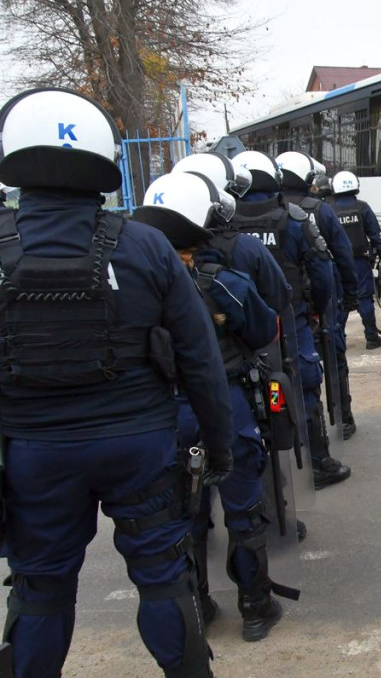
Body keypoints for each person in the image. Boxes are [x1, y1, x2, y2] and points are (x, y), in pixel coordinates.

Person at [0, 88, 233, 677]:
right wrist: (219, 443)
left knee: (42, 588)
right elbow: (201, 359)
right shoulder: (145, 245)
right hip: (139, 445)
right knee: (161, 576)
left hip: (33, 453)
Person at [133, 171, 298, 640]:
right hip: (224, 405)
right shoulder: (224, 283)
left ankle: (196, 605)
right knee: (243, 507)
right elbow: (265, 330)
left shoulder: (129, 282)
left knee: (182, 513)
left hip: (163, 412)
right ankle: (254, 606)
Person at [230, 150, 350, 489]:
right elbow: (323, 271)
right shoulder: (295, 219)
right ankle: (318, 462)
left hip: (238, 331)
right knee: (304, 387)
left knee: (249, 398)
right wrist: (317, 309)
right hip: (290, 323)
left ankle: (262, 477)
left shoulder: (221, 224)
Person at [277, 151, 361, 440]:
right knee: (334, 357)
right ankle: (343, 417)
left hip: (280, 309)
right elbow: (342, 255)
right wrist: (350, 293)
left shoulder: (269, 213)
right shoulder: (320, 211)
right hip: (321, 301)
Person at [329, 170, 381, 349]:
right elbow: (375, 235)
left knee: (341, 300)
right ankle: (371, 337)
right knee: (364, 298)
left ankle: (338, 340)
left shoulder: (328, 210)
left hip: (337, 262)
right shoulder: (362, 207)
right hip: (360, 262)